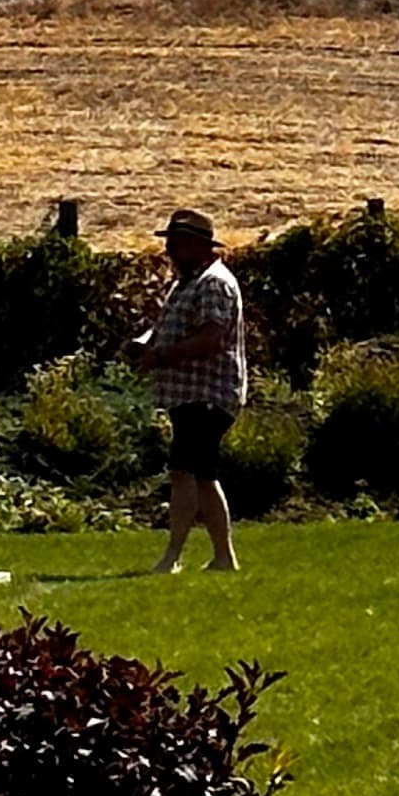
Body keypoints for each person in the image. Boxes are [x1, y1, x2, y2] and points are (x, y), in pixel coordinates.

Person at [132, 208, 246, 575]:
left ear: (198, 246)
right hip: (190, 394)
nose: (169, 251)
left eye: (176, 243)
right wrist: (144, 345)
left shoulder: (213, 283)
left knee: (185, 473)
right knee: (200, 475)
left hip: (207, 393)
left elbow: (210, 338)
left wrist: (161, 356)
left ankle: (174, 556)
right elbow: (171, 328)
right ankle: (222, 558)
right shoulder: (186, 283)